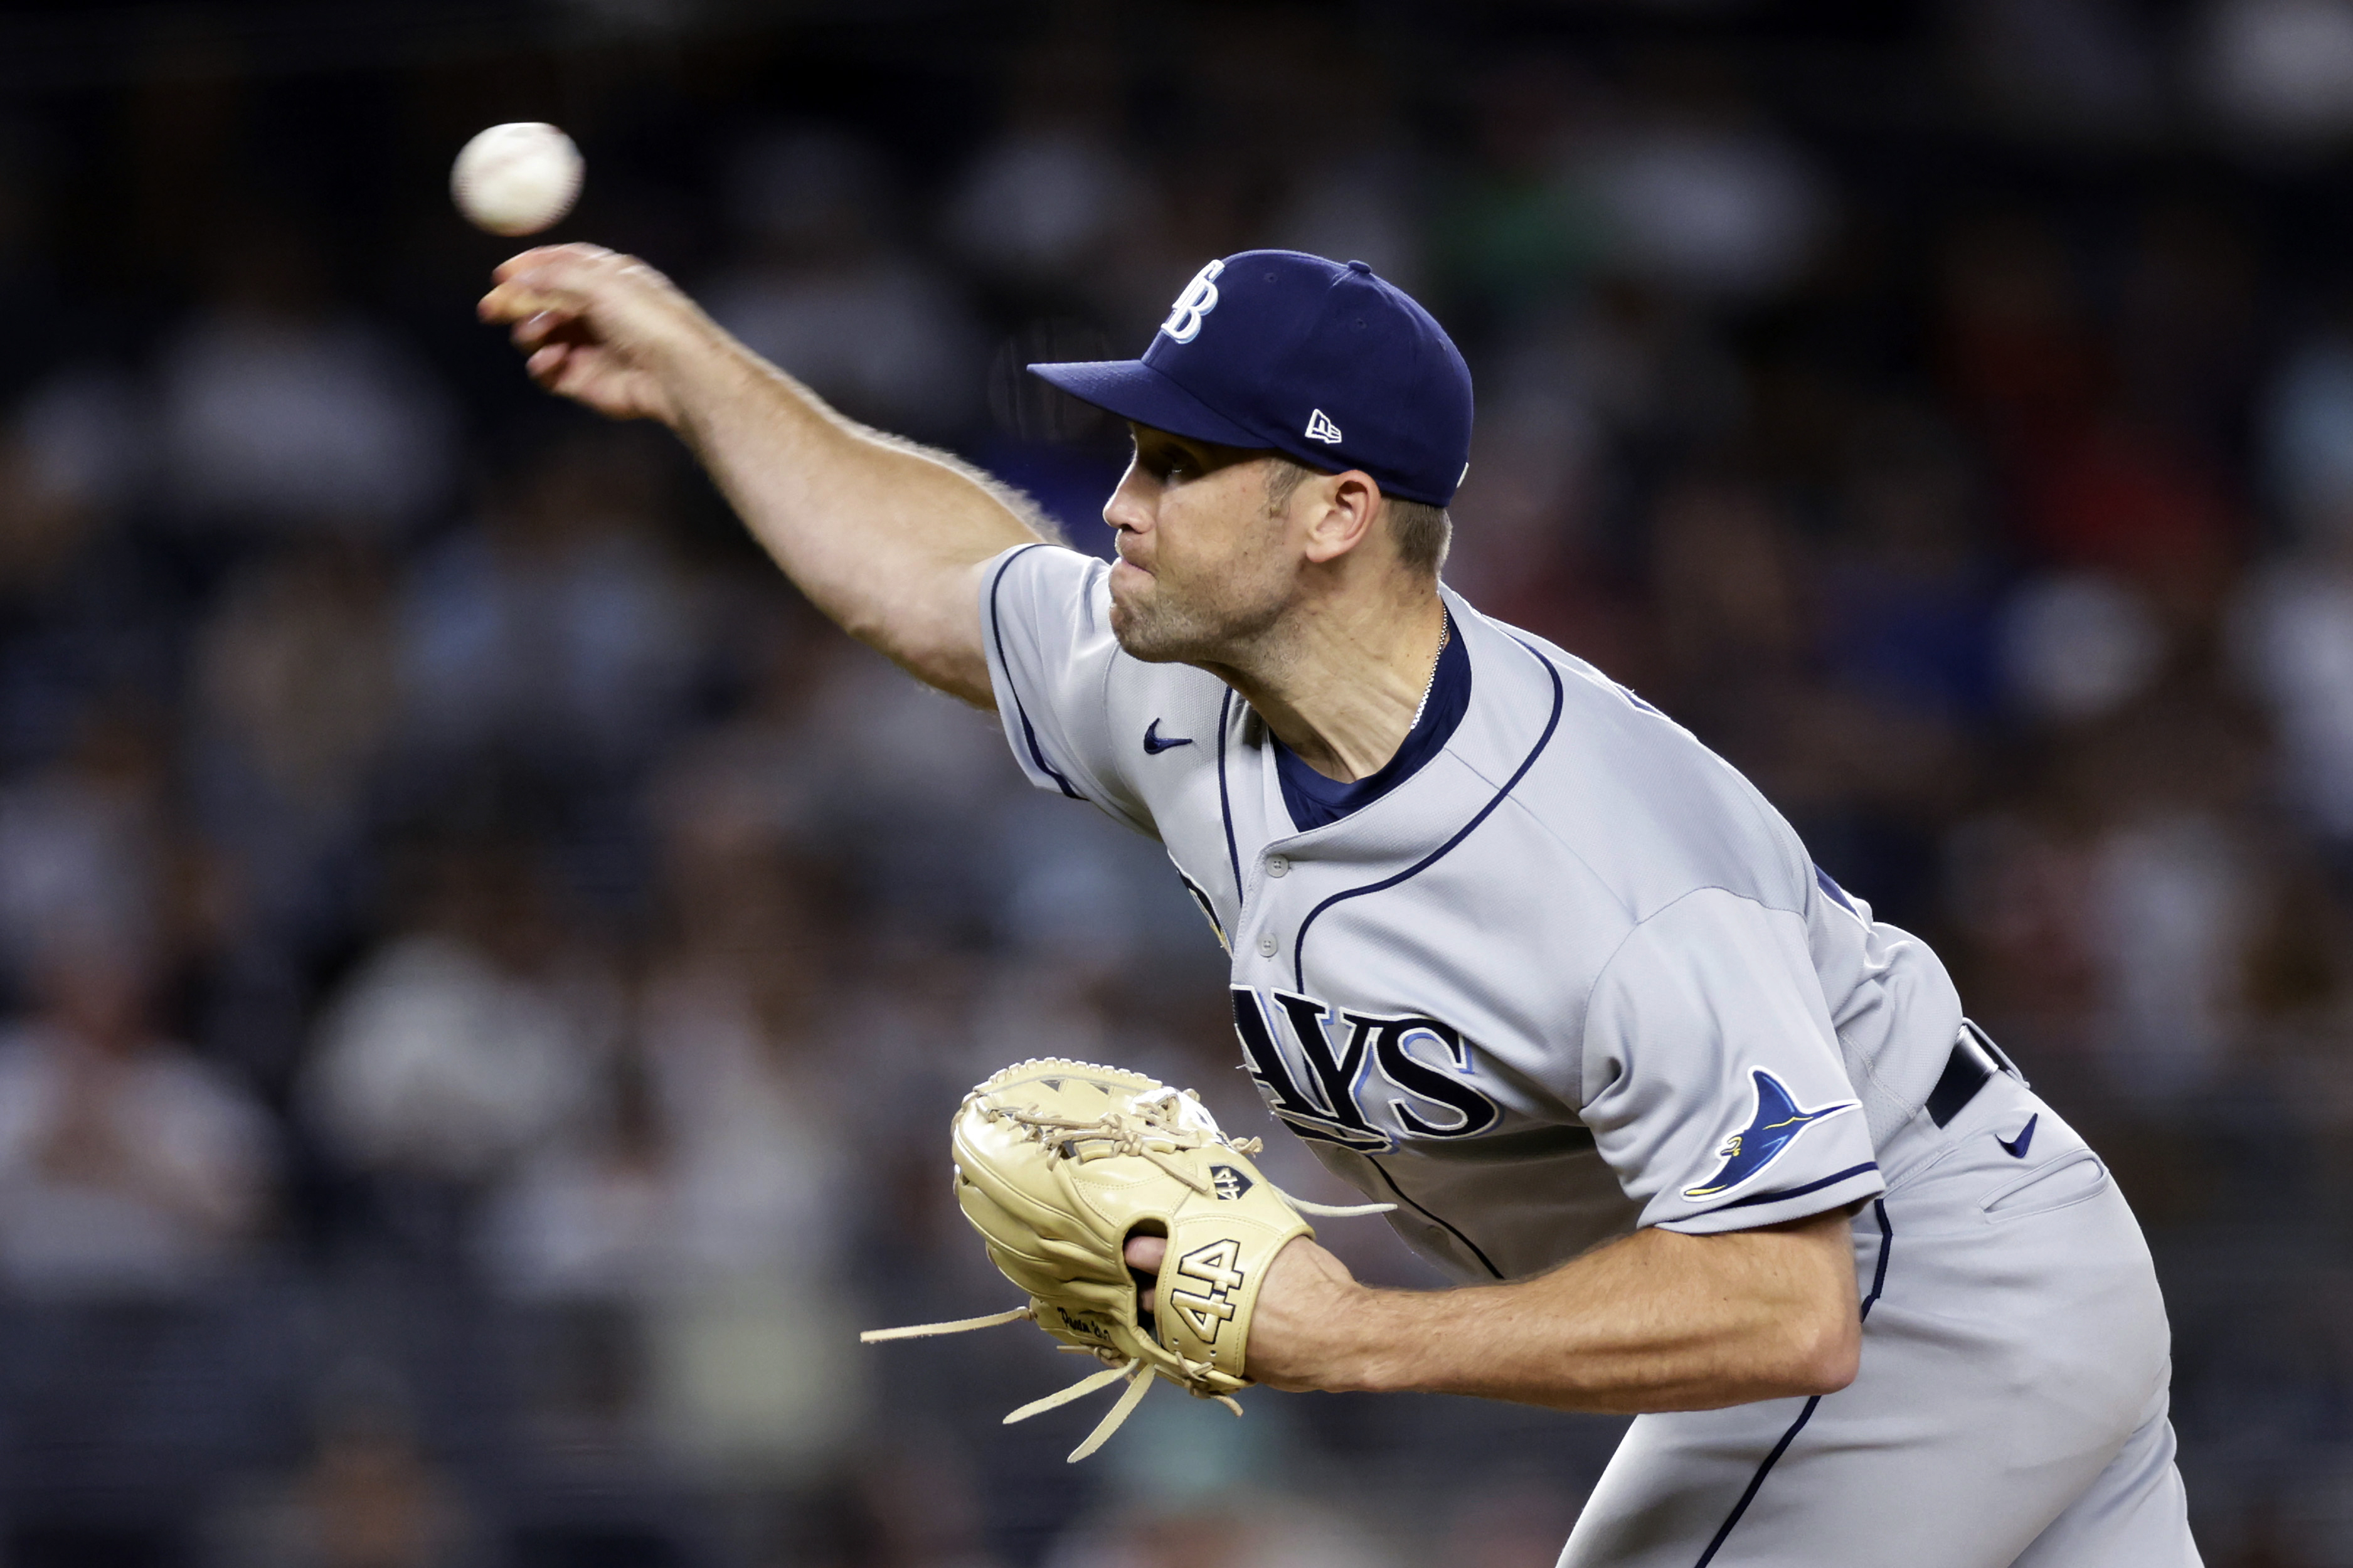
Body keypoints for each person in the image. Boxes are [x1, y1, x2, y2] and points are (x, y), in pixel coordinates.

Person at [479, 244, 2201, 1566]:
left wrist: (1354, 1337)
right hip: (1987, 1281)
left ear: (1336, 514)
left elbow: (1786, 1307)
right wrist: (698, 367)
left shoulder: (1600, 865)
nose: (1122, 506)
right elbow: (938, 584)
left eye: (1175, 462)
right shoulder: (1180, 687)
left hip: (1927, 1306)